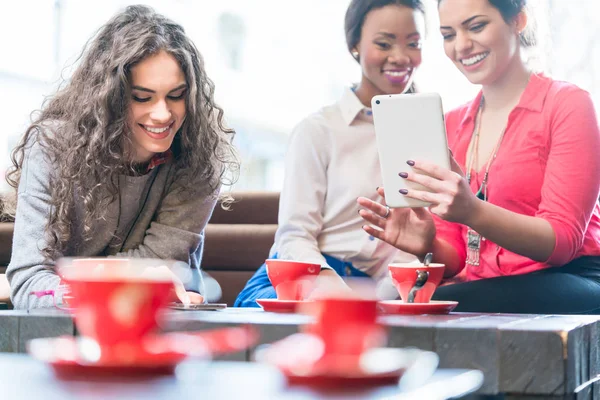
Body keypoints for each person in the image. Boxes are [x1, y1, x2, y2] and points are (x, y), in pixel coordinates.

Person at [358, 0, 600, 314]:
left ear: (519, 21)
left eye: (476, 26)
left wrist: (472, 210)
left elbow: (563, 241)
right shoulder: (451, 124)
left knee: (421, 309)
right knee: (407, 307)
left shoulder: (568, 104)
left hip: (572, 278)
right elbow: (457, 253)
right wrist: (427, 244)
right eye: (448, 34)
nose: (461, 45)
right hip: (488, 285)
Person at [4, 5, 239, 309]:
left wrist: (75, 278)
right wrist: (131, 279)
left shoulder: (199, 162)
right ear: (110, 97)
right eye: (142, 97)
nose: (162, 113)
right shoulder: (51, 146)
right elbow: (30, 285)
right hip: (59, 331)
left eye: (176, 95)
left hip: (153, 328)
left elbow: (160, 269)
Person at [235, 0, 426, 307]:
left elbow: (410, 246)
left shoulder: (421, 135)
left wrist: (380, 301)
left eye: (413, 43)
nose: (401, 57)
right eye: (384, 43)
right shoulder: (318, 130)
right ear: (355, 45)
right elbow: (294, 236)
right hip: (302, 277)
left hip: (374, 290)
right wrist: (336, 294)